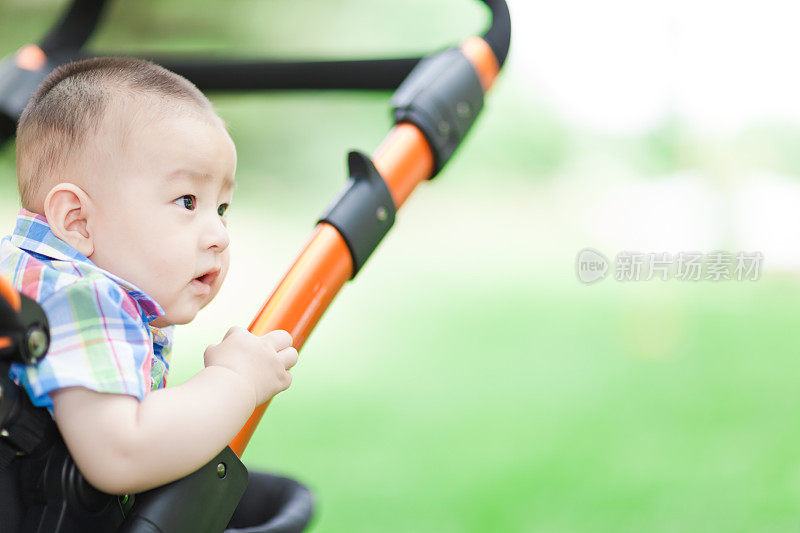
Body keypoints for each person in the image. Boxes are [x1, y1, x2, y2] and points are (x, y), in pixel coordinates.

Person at [0, 56, 298, 496]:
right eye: (187, 201)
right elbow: (122, 454)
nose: (219, 234)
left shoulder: (25, 275)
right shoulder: (80, 297)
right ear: (77, 220)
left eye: (221, 209)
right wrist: (236, 379)